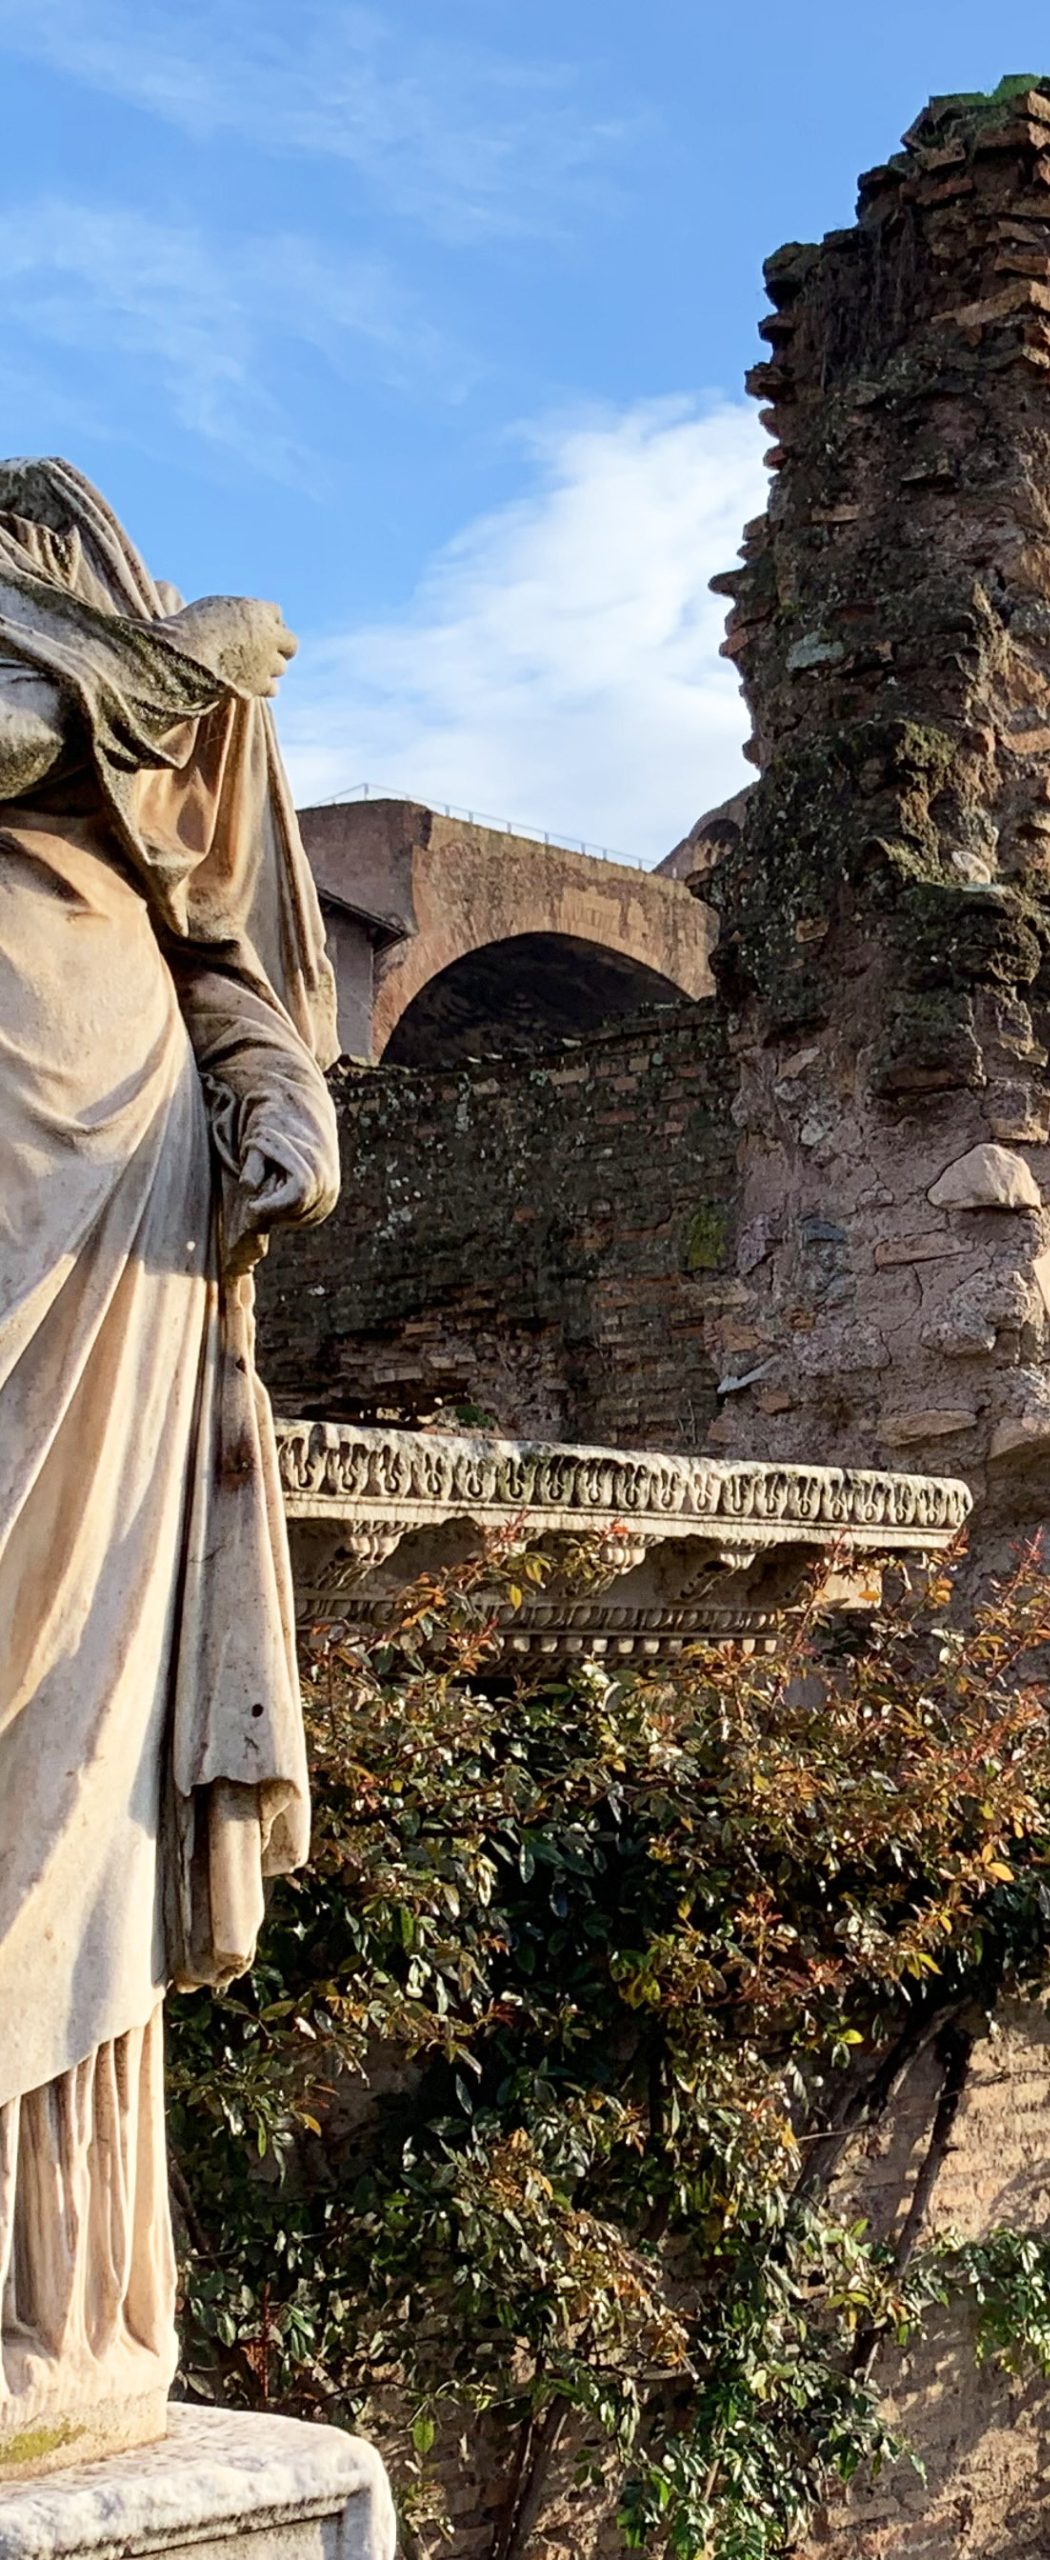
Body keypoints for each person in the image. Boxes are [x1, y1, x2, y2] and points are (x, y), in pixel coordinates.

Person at [0, 459, 337, 2474]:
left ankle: (62, 2302)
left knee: (71, 1755)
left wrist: (284, 1087)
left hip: (117, 1209)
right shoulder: (134, 648)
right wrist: (169, 664)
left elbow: (221, 937)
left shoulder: (63, 550)